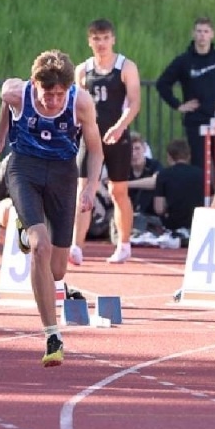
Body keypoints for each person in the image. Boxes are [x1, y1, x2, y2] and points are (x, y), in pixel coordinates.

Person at [0, 50, 103, 368]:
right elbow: (5, 99)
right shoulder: (16, 92)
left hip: (63, 174)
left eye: (59, 94)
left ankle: (31, 227)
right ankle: (52, 335)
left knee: (59, 270)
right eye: (47, 94)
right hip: (25, 167)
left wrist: (89, 186)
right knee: (39, 246)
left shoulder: (80, 103)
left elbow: (96, 150)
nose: (52, 101)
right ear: (34, 84)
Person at [71, 19, 142, 264]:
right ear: (89, 41)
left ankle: (123, 244)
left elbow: (134, 102)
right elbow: (75, 104)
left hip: (117, 136)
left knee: (118, 191)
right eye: (96, 39)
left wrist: (120, 127)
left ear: (113, 39)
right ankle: (76, 247)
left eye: (105, 38)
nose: (101, 44)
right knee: (84, 190)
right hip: (90, 138)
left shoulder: (126, 67)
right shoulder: (82, 70)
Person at [155, 17, 215, 185]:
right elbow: (162, 84)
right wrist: (178, 105)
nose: (202, 35)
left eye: (206, 31)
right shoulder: (184, 61)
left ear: (212, 35)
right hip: (195, 121)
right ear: (193, 34)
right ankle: (201, 203)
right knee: (199, 167)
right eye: (199, 31)